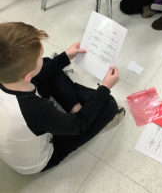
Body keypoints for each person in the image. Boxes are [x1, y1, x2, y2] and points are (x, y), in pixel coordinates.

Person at [0, 22, 125, 174]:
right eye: (38, 55)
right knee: (108, 105)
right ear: (27, 76)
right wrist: (105, 87)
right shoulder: (35, 108)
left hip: (23, 129)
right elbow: (78, 126)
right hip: (42, 159)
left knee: (48, 64)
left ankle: (75, 107)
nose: (41, 55)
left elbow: (37, 75)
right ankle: (79, 110)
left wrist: (65, 57)